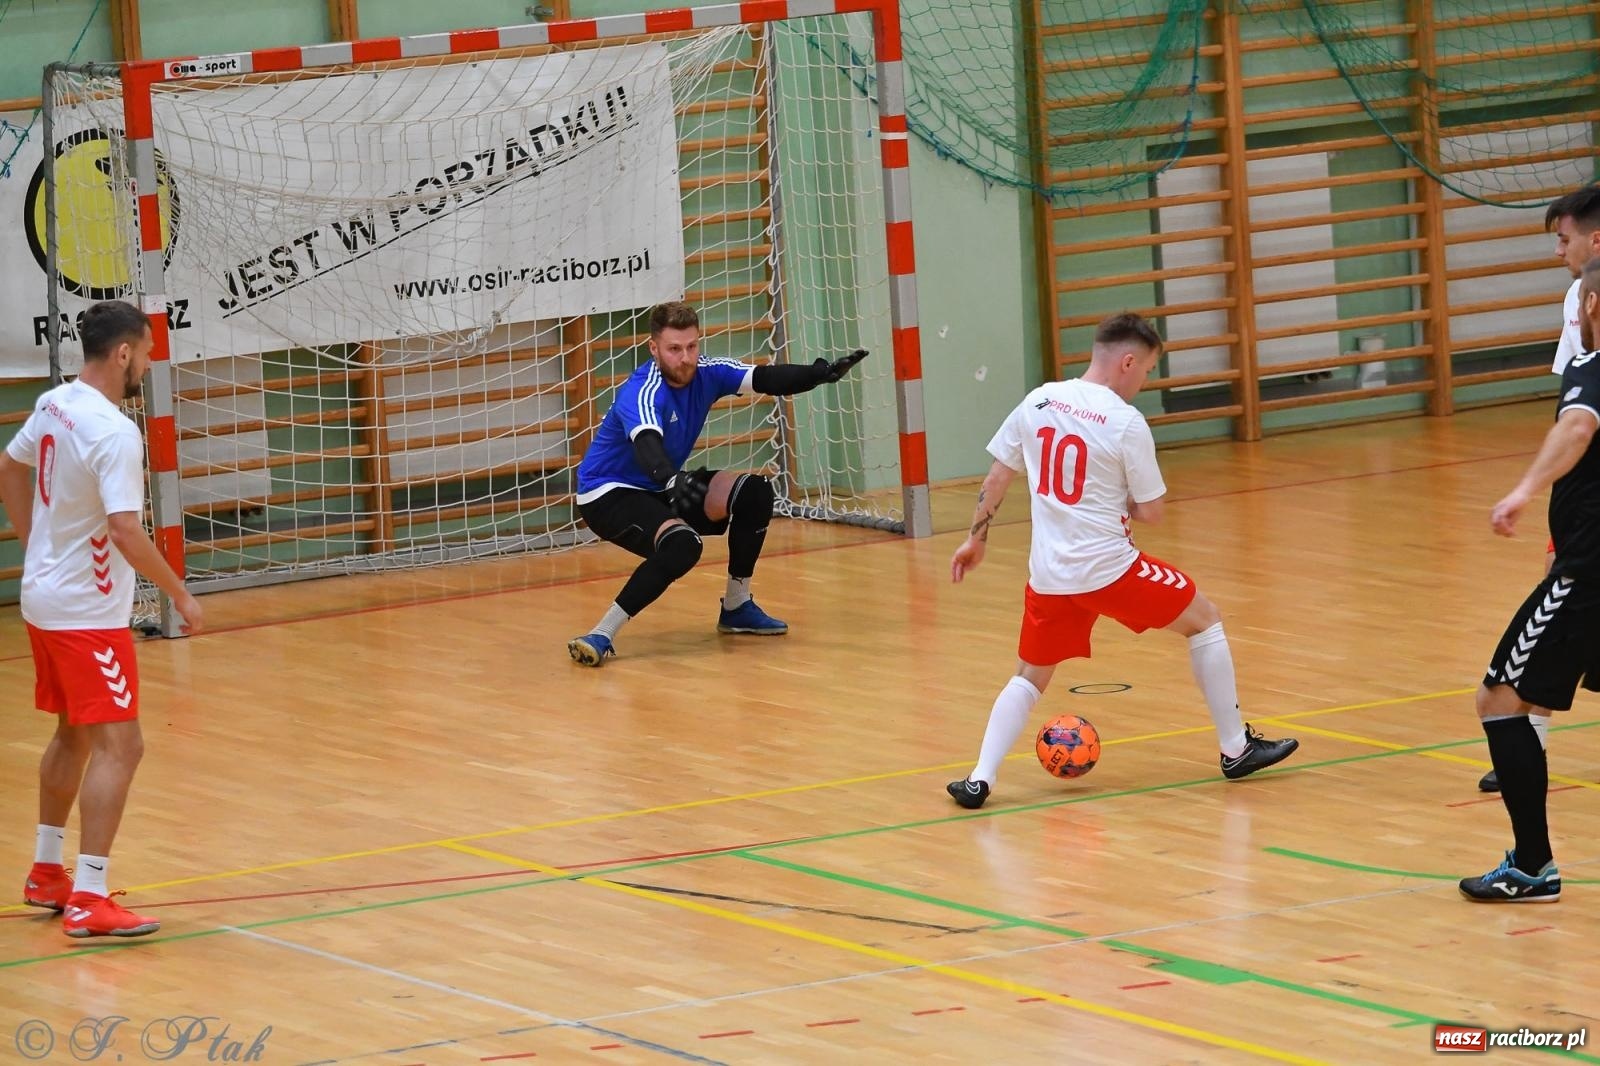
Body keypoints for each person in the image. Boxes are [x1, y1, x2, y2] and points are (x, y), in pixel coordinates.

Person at [944, 312, 1299, 810]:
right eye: (1148, 370)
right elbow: (1152, 511)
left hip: (1049, 575)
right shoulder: (1124, 422)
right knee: (1207, 621)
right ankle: (1235, 748)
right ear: (1129, 361)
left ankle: (979, 779)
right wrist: (1114, 500)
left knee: (1029, 674)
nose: (1145, 380)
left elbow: (998, 477)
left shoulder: (1039, 400)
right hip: (1110, 570)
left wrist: (975, 539)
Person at [0, 300, 203, 938]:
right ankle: (89, 896)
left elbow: (9, 465)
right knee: (124, 743)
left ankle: (47, 871)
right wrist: (179, 593)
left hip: (44, 599)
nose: (147, 363)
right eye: (145, 353)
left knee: (76, 733)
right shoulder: (116, 433)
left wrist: (34, 544)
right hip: (87, 613)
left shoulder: (56, 402)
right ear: (123, 354)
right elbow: (123, 529)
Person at [567, 301, 866, 666]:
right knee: (682, 546)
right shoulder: (643, 389)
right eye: (674, 349)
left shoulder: (707, 371)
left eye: (692, 346)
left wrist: (818, 375)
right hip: (607, 494)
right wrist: (670, 478)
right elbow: (646, 443)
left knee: (754, 493)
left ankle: (737, 604)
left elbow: (764, 378)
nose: (686, 358)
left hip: (662, 485)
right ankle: (601, 633)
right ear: (654, 348)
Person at [1458, 256, 1600, 902]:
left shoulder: (1591, 370)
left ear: (1590, 309)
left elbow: (1576, 427)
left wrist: (1522, 490)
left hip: (1590, 569)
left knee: (1501, 700)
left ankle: (1533, 867)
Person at [1478, 185, 1600, 793]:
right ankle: (1526, 753)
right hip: (1582, 511)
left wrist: (1528, 489)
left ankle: (1531, 850)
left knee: (1529, 657)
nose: (1559, 250)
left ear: (1593, 238)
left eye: (1564, 237)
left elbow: (1577, 420)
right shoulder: (1576, 299)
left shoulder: (1588, 298)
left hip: (1589, 529)